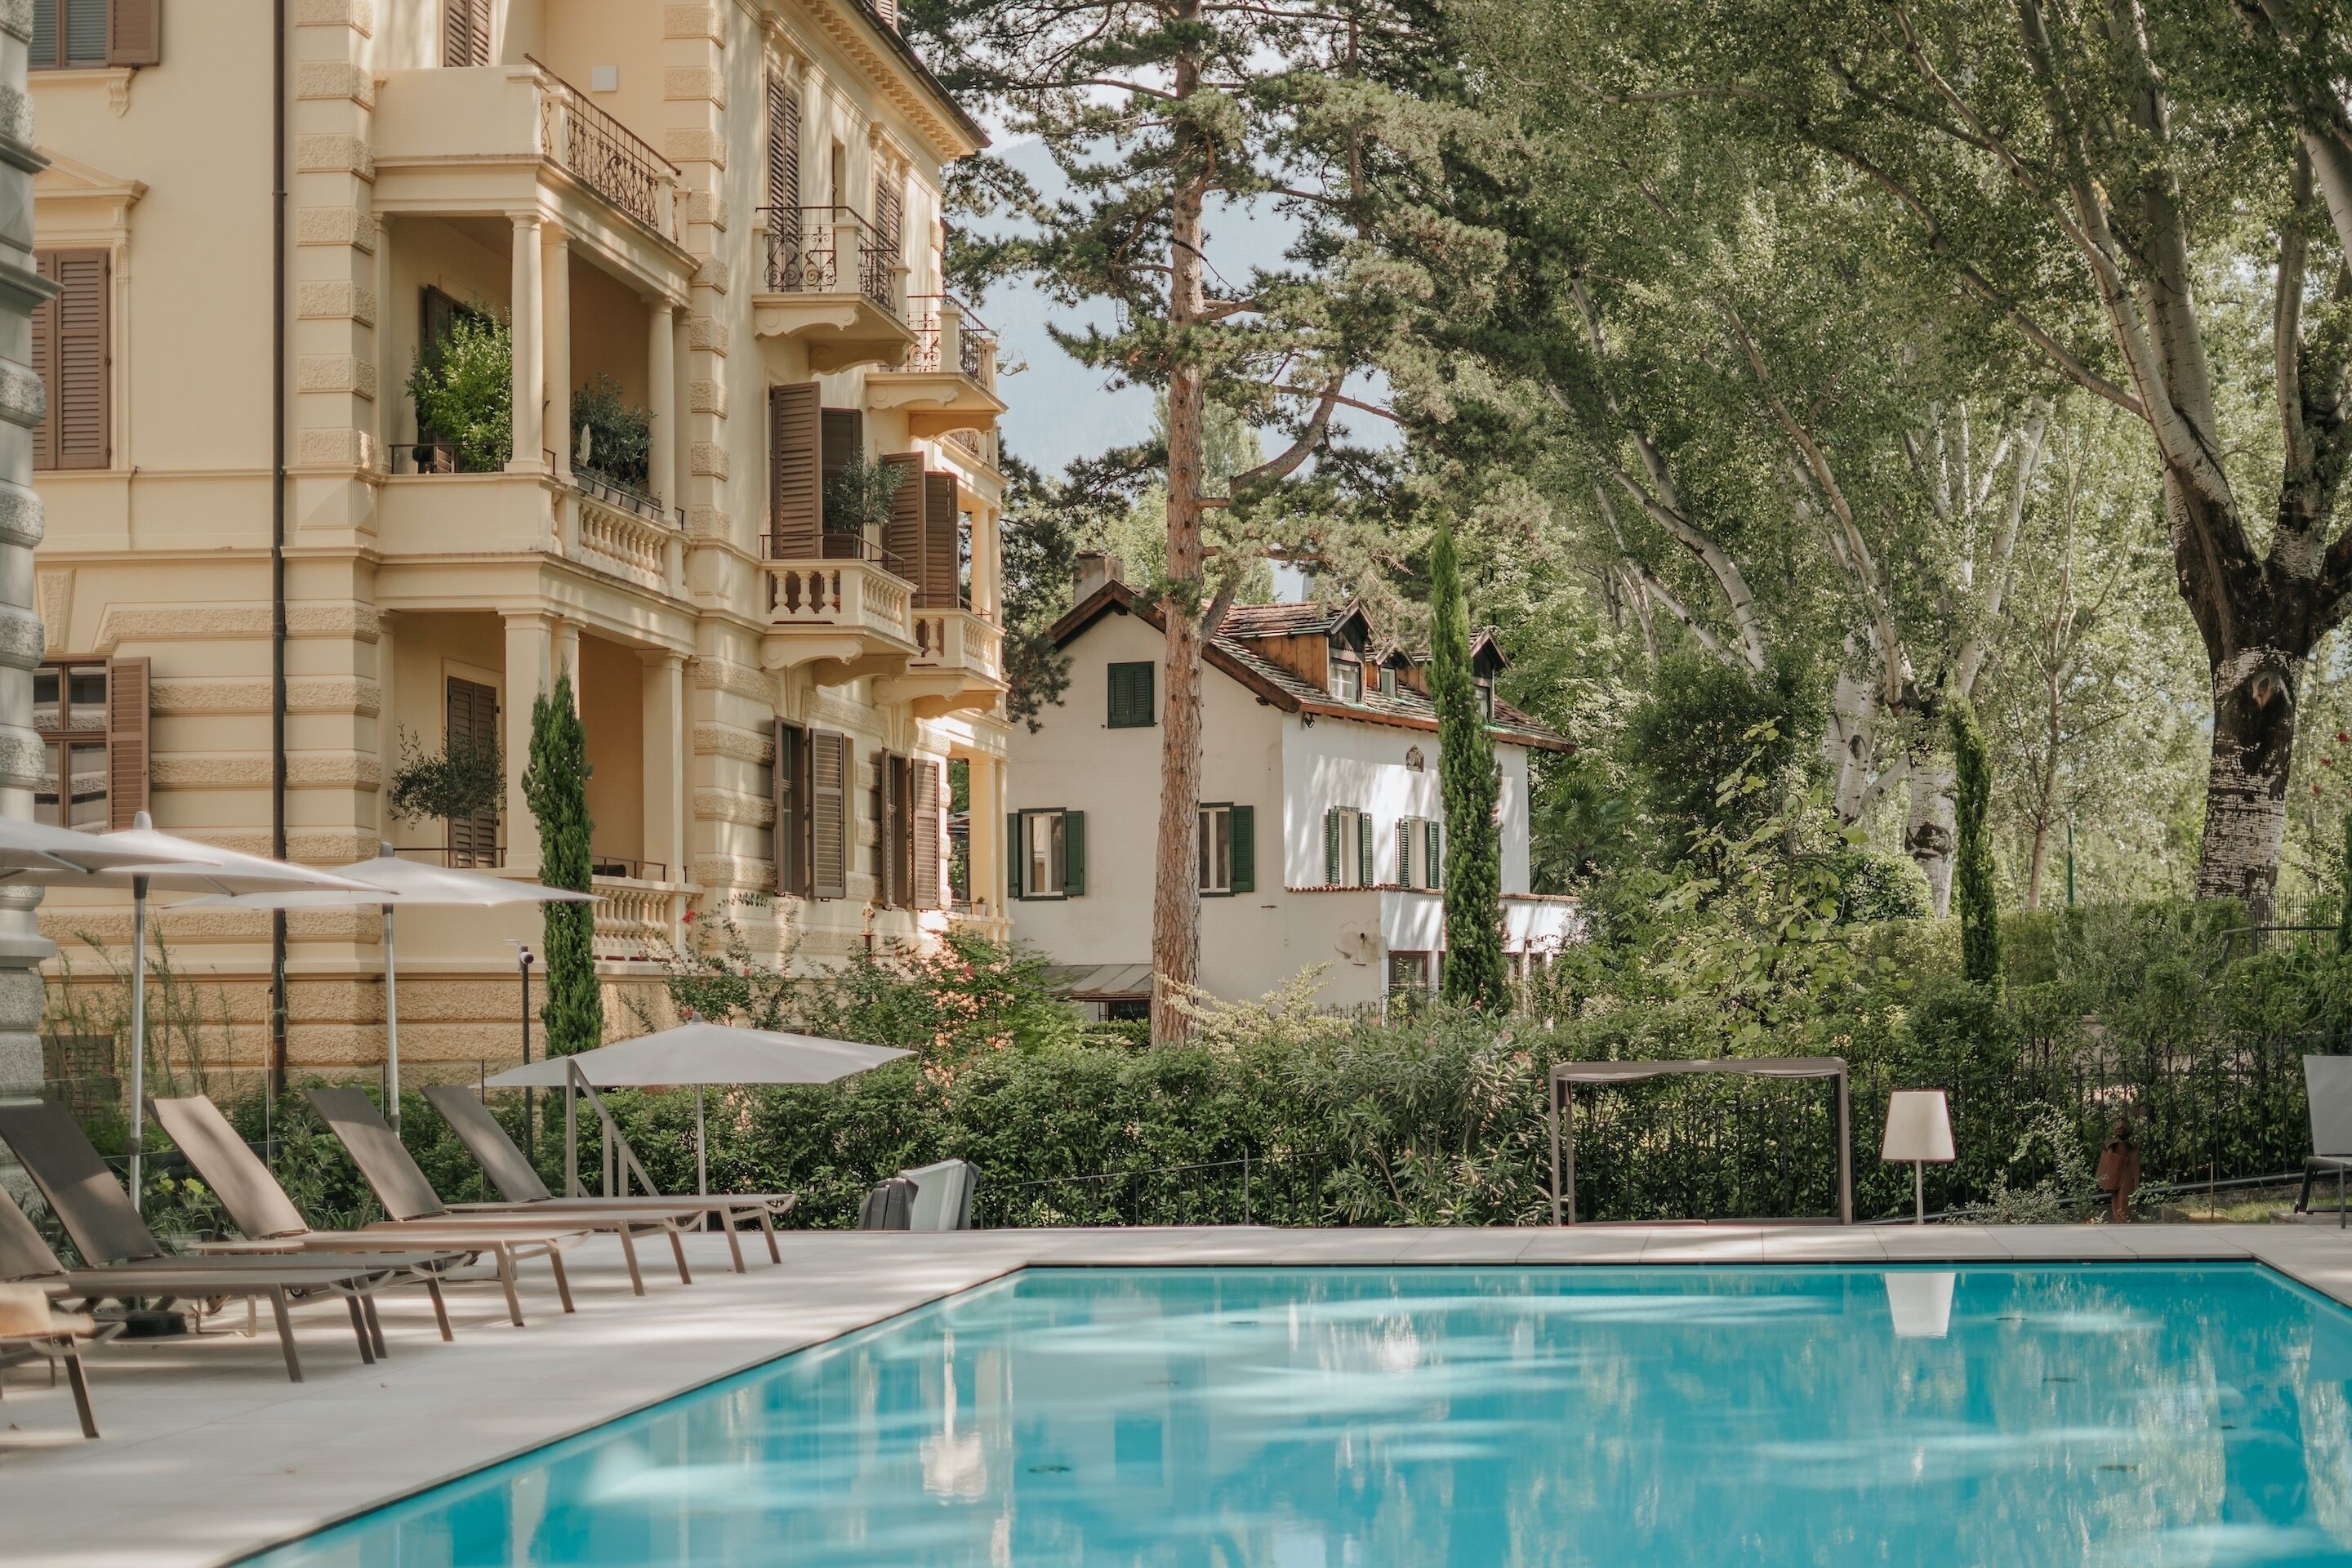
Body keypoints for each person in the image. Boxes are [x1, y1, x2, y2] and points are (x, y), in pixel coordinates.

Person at [2095, 1116, 2141, 1223]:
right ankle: (2121, 1218)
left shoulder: (2131, 1145)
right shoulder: (2112, 1144)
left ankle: (2125, 1218)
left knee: (2125, 1195)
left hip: (2126, 1174)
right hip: (2118, 1174)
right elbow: (2110, 1159)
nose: (2121, 1130)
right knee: (2118, 1197)